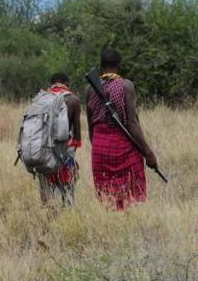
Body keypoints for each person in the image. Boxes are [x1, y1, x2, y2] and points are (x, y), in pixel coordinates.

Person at [85, 47, 158, 210]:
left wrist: (98, 147)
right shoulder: (126, 86)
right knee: (130, 198)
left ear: (101, 65)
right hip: (122, 146)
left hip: (99, 147)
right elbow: (132, 123)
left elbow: (90, 127)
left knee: (107, 197)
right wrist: (148, 152)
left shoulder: (90, 89)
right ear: (119, 65)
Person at [38, 72, 83, 207]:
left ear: (50, 84)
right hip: (64, 152)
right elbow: (77, 138)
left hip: (42, 154)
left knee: (48, 198)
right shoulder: (73, 100)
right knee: (68, 194)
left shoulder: (41, 99)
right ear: (67, 84)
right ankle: (67, 211)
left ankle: (50, 211)